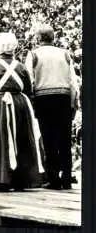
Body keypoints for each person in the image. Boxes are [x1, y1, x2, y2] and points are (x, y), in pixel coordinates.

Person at [0, 32, 45, 192]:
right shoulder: (21, 68)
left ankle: (3, 179)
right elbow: (28, 90)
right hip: (21, 105)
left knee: (0, 141)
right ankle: (21, 179)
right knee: (22, 139)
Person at [25, 25, 80, 190]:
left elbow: (30, 80)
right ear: (52, 38)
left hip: (44, 99)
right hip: (63, 98)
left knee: (49, 140)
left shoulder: (33, 54)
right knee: (64, 139)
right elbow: (72, 81)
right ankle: (67, 178)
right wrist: (73, 103)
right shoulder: (64, 53)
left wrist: (32, 101)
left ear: (38, 38)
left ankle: (54, 178)